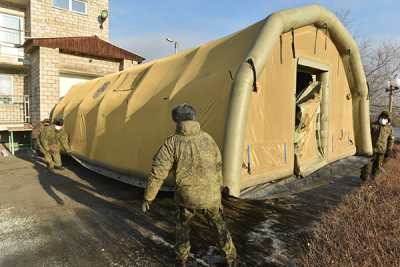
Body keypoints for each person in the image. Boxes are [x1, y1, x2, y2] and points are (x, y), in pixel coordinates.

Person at [142, 104, 237, 267]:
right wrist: (218, 188)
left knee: (183, 227)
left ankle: (181, 258)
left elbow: (158, 173)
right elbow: (218, 165)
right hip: (211, 197)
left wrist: (148, 198)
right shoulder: (208, 138)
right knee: (219, 227)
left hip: (187, 198)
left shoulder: (171, 144)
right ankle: (231, 258)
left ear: (176, 120)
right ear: (194, 118)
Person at [360, 111, 395, 181]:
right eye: (382, 117)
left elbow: (391, 140)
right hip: (371, 150)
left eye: (385, 118)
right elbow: (366, 135)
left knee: (377, 168)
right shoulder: (373, 125)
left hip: (381, 151)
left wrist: (389, 150)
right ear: (380, 117)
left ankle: (373, 181)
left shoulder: (389, 128)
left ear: (388, 119)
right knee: (367, 166)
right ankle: (364, 179)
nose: (383, 119)